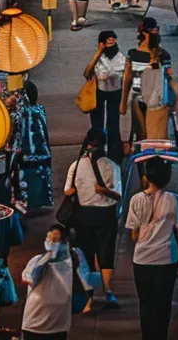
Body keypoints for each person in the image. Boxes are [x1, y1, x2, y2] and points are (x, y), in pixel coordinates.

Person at [126, 156, 178, 340]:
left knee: (146, 304)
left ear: (147, 177)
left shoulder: (136, 200)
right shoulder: (175, 200)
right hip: (167, 258)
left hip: (142, 260)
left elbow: (134, 234)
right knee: (163, 304)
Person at [63, 128, 122, 311]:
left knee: (86, 255)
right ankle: (108, 291)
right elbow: (118, 195)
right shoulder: (112, 166)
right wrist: (104, 191)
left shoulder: (75, 165)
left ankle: (89, 298)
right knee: (106, 254)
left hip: (83, 215)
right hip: (106, 214)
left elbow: (67, 191)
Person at [21, 223, 93, 340]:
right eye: (49, 238)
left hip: (58, 324)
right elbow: (30, 278)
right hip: (35, 322)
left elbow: (85, 286)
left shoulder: (73, 261)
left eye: (55, 240)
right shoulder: (37, 260)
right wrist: (48, 256)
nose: (51, 243)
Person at [121, 17, 174, 142]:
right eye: (151, 31)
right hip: (137, 98)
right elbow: (127, 79)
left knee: (155, 136)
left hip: (157, 102)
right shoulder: (133, 54)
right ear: (143, 33)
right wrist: (123, 103)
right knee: (141, 135)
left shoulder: (163, 54)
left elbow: (167, 79)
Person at [84, 31, 126, 163]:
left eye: (113, 42)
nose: (111, 45)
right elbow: (87, 73)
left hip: (115, 92)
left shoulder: (120, 58)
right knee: (97, 124)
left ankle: (114, 153)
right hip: (99, 92)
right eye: (108, 43)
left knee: (113, 123)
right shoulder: (98, 58)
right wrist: (98, 52)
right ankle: (98, 151)